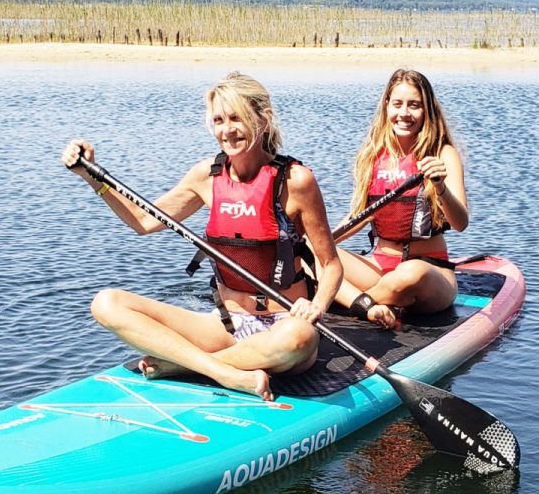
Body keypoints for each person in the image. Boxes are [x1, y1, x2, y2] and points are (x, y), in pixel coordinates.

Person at [61, 72, 343, 402]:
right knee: (107, 303)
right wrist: (92, 177)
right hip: (227, 326)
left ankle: (183, 365)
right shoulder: (206, 176)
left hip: (282, 328)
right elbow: (143, 221)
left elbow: (331, 265)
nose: (227, 130)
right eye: (219, 120)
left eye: (237, 118)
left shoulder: (296, 180)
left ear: (263, 120)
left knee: (298, 336)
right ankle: (223, 371)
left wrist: (317, 306)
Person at [331, 69, 469, 329]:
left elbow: (460, 223)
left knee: (410, 273)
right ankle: (373, 303)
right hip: (379, 267)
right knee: (309, 252)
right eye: (397, 104)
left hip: (428, 271)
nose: (404, 113)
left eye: (414, 105)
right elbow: (360, 215)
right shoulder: (373, 154)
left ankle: (352, 305)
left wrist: (440, 186)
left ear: (427, 110)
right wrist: (323, 244)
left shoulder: (443, 153)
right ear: (387, 106)